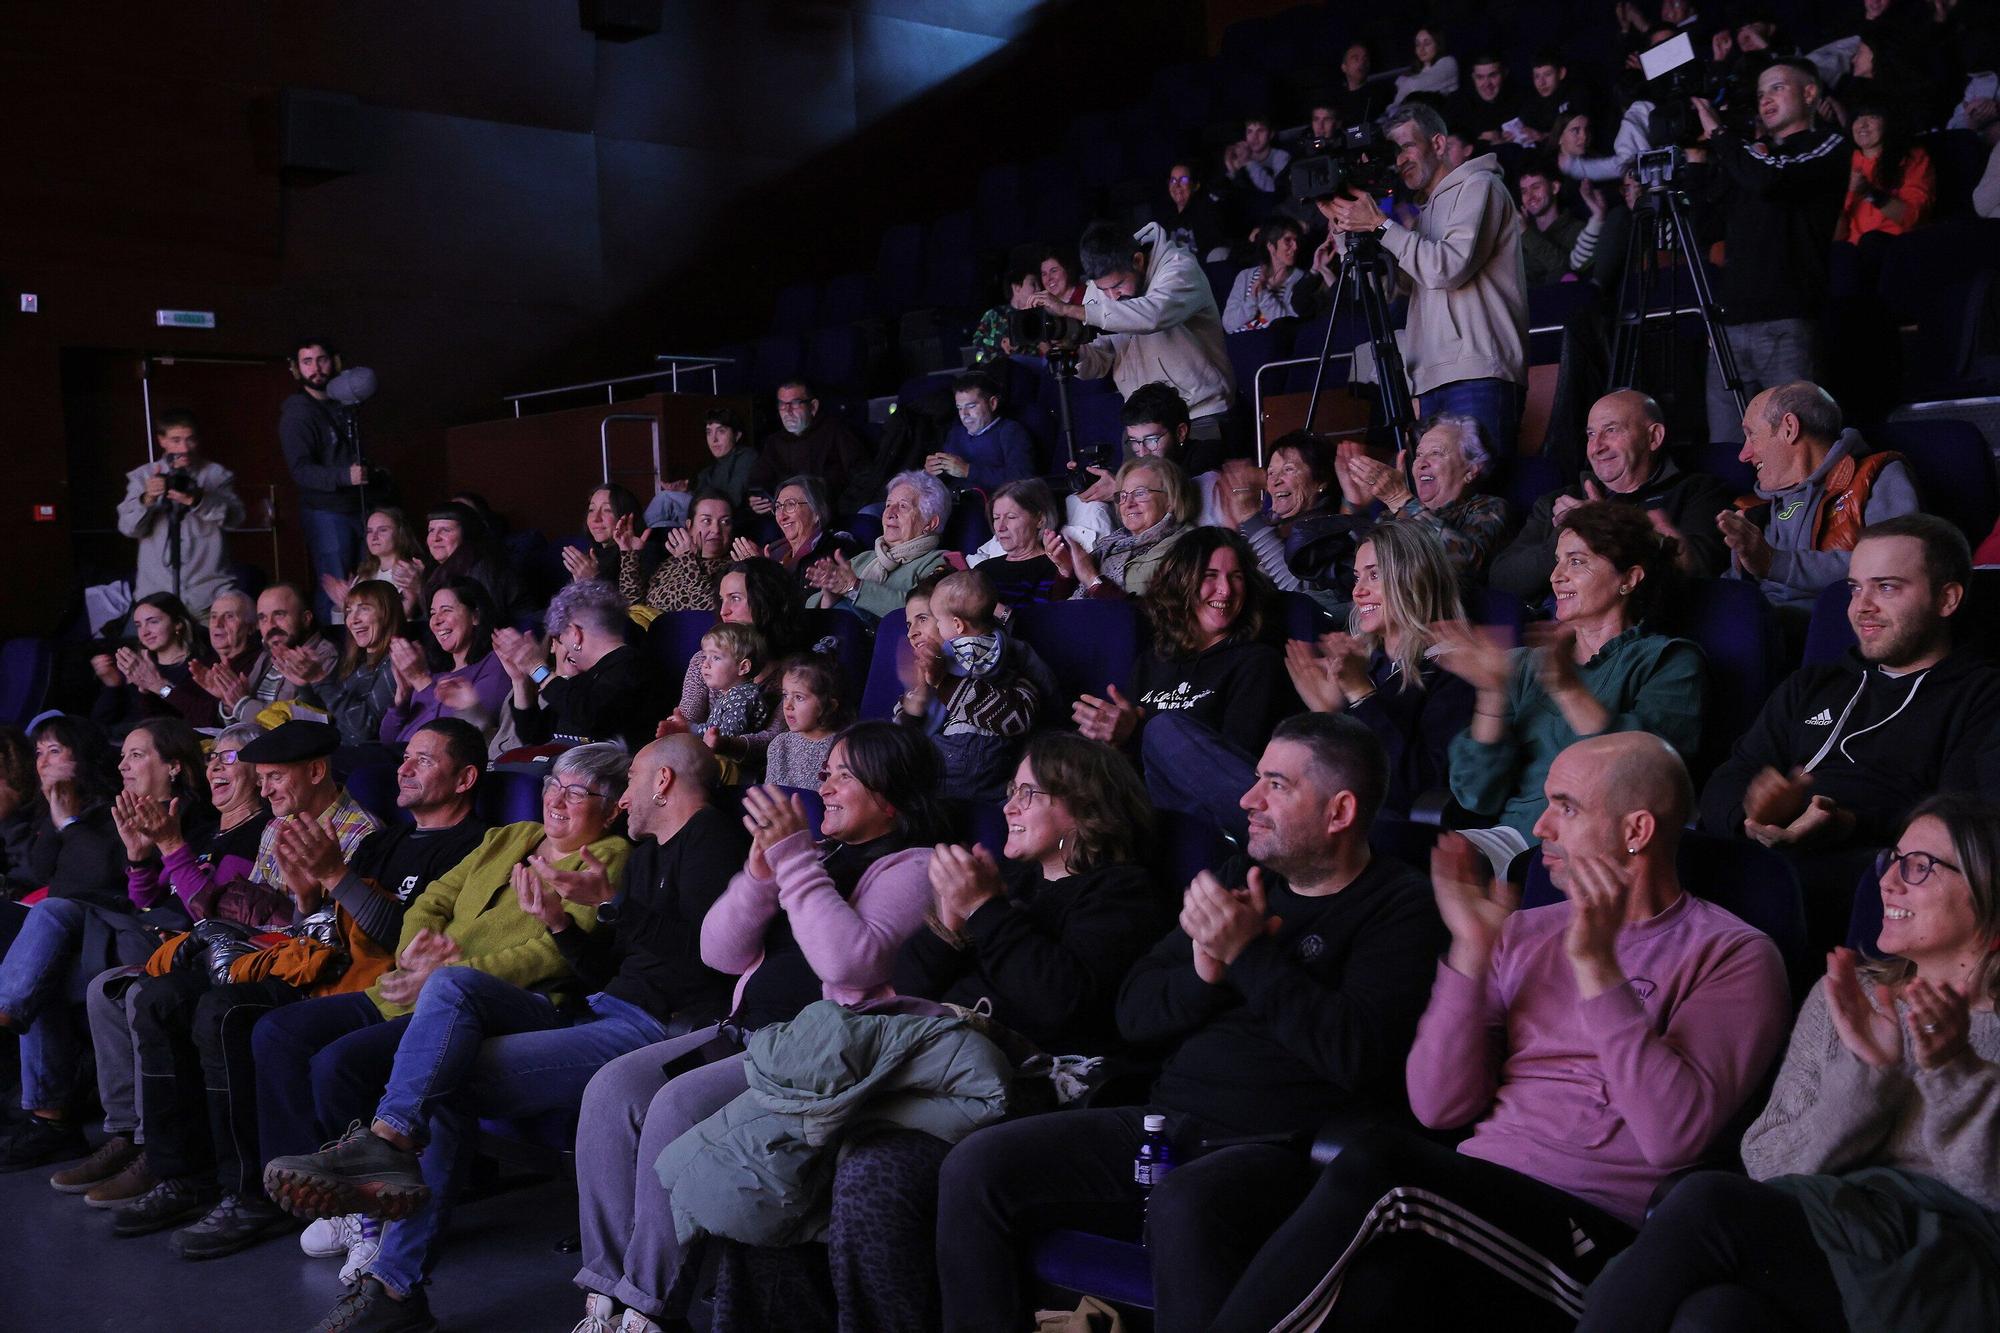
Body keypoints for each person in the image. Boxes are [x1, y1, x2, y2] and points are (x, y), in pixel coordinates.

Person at [1205, 734, 1790, 1331]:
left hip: (1590, 1240)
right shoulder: (1526, 932)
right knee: (1369, 1286)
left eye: (1566, 807)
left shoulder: (1733, 955)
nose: (1540, 828)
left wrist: (1597, 968)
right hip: (1469, 1206)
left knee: (1380, 1164)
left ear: (1635, 831)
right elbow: (1438, 1106)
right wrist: (1470, 953)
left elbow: (1674, 1140)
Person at [937, 713, 1446, 1331]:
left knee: (1186, 1203)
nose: (1247, 799)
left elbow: (1359, 1055)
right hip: (1168, 1121)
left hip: (1282, 1147)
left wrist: (1247, 956)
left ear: (1339, 813)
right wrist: (1205, 971)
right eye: (1256, 778)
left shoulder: (1402, 907)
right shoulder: (1241, 877)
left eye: (1276, 786)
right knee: (976, 1167)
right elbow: (1135, 1012)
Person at [273, 736, 745, 1333]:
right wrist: (561, 921)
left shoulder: (710, 841)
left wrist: (608, 907)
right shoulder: (647, 853)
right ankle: (389, 1144)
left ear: (665, 782)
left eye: (627, 784)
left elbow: (705, 963)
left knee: (443, 1077)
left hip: (658, 1030)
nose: (623, 799)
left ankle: (395, 1284)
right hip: (601, 1009)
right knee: (449, 990)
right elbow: (606, 971)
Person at [566, 722, 940, 1333]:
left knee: (675, 1106)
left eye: (844, 773)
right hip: (741, 1031)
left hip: (809, 1060)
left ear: (891, 791)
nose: (826, 783)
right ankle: (605, 1297)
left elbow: (848, 966)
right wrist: (762, 877)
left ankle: (645, 1309)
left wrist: (792, 860)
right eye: (829, 771)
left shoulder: (915, 867)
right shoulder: (814, 855)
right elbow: (720, 953)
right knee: (612, 1091)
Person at [1578, 792, 2000, 1333]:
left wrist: (1955, 1072)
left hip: (1953, 1269)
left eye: (1920, 867)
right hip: (1832, 1236)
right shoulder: (1848, 996)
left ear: (1987, 887)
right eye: (1891, 860)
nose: (1888, 882)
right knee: (1715, 1316)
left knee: (1705, 1201)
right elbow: (1768, 1165)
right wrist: (1866, 1075)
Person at [108, 721, 483, 1257]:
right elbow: (307, 924)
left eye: (423, 760)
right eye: (406, 757)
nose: (402, 768)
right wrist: (306, 902)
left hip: (357, 979)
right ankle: (184, 1174)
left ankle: (256, 1191)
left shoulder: (411, 838)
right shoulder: (384, 839)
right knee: (159, 997)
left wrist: (320, 889)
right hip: (296, 959)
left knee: (226, 1013)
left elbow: (382, 939)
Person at [252, 742, 631, 1233]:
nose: (556, 799)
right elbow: (431, 901)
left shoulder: (607, 858)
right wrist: (414, 951)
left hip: (490, 1004)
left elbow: (551, 955)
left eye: (576, 793)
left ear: (612, 808)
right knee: (277, 1031)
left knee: (337, 1065)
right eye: (553, 785)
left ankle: (367, 1213)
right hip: (408, 985)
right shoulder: (511, 835)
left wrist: (451, 972)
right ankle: (309, 1189)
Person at [1701, 516, 2000, 913]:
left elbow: (1963, 824)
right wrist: (1753, 819)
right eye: (1856, 588)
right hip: (1758, 864)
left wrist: (1846, 824)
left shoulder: (1981, 696)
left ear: (1947, 599)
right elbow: (1729, 778)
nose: (1863, 607)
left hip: (1876, 881)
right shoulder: (1812, 684)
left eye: (1887, 587)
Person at [62, 722, 272, 1207]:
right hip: (180, 949)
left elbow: (213, 911)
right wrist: (139, 857)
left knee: (138, 993)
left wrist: (171, 847)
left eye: (231, 757)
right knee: (102, 989)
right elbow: (152, 896)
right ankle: (127, 1134)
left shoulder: (257, 833)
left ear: (261, 774)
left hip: (224, 960)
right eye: (213, 757)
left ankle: (160, 1153)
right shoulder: (211, 832)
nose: (217, 765)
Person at [1441, 502, 1707, 873]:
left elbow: (1646, 775)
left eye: (1577, 561)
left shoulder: (1668, 660)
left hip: (1589, 850)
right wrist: (1491, 693)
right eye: (1558, 560)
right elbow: (1476, 795)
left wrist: (1566, 688)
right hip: (1507, 841)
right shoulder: (1522, 663)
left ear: (1628, 579)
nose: (1556, 576)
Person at [0, 715, 205, 1170]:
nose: (125, 766)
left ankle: (9, 1014)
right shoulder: (109, 811)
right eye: (122, 757)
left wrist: (76, 824)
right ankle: (48, 1119)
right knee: (37, 961)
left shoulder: (190, 814)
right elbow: (42, 870)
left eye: (137, 755)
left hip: (136, 931)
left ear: (173, 765)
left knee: (51, 915)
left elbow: (91, 884)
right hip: (105, 924)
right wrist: (61, 818)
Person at [1324, 102, 1528, 453]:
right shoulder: (1424, 213)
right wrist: (1347, 227)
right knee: (1440, 502)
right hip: (1430, 377)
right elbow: (1395, 286)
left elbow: (1446, 268)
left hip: (1478, 373)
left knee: (1478, 494)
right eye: (1393, 151)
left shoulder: (1480, 186)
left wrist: (1380, 224)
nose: (1399, 159)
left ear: (1437, 144)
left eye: (1406, 146)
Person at [1083, 528, 1301, 837]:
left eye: (1236, 577)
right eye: (1210, 576)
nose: (1225, 590)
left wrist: (1138, 734)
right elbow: (1133, 763)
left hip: (1226, 820)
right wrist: (1111, 738)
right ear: (1181, 582)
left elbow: (1231, 767)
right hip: (1149, 813)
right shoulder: (1154, 660)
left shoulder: (1257, 661)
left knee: (1163, 729)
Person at [1690, 60, 1851, 443]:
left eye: (1777, 88)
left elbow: (1771, 177)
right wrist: (1697, 163)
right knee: (1729, 451)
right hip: (1729, 329)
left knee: (1799, 449)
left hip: (1786, 324)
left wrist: (1721, 133)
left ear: (1809, 93)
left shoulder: (1827, 144)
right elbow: (1703, 227)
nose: (1765, 99)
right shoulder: (1750, 159)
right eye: (1761, 93)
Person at [1286, 523, 1476, 818]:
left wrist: (1360, 694)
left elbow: (1417, 788)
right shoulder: (1362, 661)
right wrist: (1328, 715)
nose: (1358, 591)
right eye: (1357, 577)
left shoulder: (1454, 671)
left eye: (1374, 575)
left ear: (1414, 580)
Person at [1491, 389, 1738, 601]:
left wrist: (1606, 527)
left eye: (1611, 430)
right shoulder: (1561, 502)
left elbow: (1704, 568)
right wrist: (1563, 537)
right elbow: (1503, 580)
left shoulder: (1699, 491)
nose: (1597, 446)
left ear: (1653, 437)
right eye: (1590, 434)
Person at [1028, 220, 1235, 450]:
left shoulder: (1179, 268)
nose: (1111, 296)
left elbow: (1152, 315)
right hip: (1139, 426)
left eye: (1117, 286)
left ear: (1137, 261)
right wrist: (1072, 347)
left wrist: (1070, 309)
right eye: (1103, 289)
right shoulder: (1100, 289)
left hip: (1198, 414)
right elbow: (1098, 362)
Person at [1721, 381, 1919, 613]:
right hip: (1761, 630)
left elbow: (1894, 563)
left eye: (1751, 435)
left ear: (1789, 428)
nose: (1743, 455)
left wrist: (1775, 563)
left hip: (1834, 630)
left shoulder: (1876, 476)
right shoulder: (1753, 507)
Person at [896, 568, 1056, 800]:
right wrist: (915, 705)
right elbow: (898, 748)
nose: (912, 633)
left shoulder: (1004, 665)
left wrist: (945, 683)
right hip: (929, 774)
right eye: (908, 624)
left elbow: (1019, 717)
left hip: (972, 774)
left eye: (923, 619)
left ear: (957, 622)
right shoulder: (921, 678)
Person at [281, 338, 389, 623]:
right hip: (326, 511)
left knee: (366, 579)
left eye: (322, 360)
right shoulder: (297, 412)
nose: (316, 368)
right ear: (297, 369)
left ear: (334, 362)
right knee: (335, 585)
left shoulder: (345, 402)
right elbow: (300, 470)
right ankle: (335, 651)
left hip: (360, 506)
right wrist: (345, 475)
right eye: (307, 362)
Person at [665, 558, 810, 771]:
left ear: (766, 602)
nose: (724, 611)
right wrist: (679, 727)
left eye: (735, 598)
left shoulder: (795, 672)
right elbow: (688, 719)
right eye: (722, 599)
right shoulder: (703, 660)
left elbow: (775, 740)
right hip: (704, 765)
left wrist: (726, 744)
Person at [494, 579, 662, 755]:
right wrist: (520, 680)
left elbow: (589, 715)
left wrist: (538, 669)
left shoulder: (632, 668)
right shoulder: (586, 678)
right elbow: (535, 738)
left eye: (562, 636)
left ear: (575, 634)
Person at [1335, 414, 1512, 580]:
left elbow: (1467, 563)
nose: (1421, 463)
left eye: (1436, 453)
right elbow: (1348, 572)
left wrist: (1401, 500)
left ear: (1471, 470)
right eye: (1419, 454)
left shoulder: (1489, 507)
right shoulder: (1392, 514)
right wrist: (1353, 505)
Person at [115, 409, 245, 619]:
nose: (184, 448)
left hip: (209, 596)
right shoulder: (144, 476)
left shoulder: (216, 475)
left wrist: (199, 500)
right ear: (162, 440)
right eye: (176, 440)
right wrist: (147, 498)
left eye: (190, 440)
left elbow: (237, 519)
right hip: (156, 598)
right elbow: (128, 528)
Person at [378, 578, 509, 745]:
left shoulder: (495, 664)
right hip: (402, 759)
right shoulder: (434, 673)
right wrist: (401, 701)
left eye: (446, 610)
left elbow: (465, 731)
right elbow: (387, 739)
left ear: (475, 616)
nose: (436, 620)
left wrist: (421, 681)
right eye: (432, 613)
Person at [809, 469, 954, 619]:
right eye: (888, 505)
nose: (889, 513)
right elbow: (809, 607)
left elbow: (921, 612)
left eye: (903, 506)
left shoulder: (939, 561)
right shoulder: (865, 558)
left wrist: (855, 587)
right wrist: (829, 597)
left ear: (930, 523)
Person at [190, 583, 340, 728]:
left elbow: (294, 728)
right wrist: (229, 700)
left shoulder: (322, 656)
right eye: (263, 618)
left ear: (306, 618)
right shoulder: (267, 655)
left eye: (279, 615)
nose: (270, 625)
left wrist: (241, 704)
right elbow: (242, 723)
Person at [1235, 431, 1358, 606]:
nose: (1276, 481)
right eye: (1271, 473)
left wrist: (1251, 521)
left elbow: (1300, 595)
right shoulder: (1269, 521)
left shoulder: (1328, 532)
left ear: (1321, 480)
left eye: (1289, 470)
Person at [1055, 456, 1197, 600]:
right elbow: (1055, 608)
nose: (1128, 504)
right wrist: (1066, 571)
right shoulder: (1110, 544)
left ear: (1171, 500)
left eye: (1140, 493)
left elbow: (1154, 618)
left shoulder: (1187, 548)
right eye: (1123, 495)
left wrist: (1093, 581)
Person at [289, 579, 403, 748]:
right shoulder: (356, 662)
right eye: (348, 611)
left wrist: (321, 680)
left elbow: (364, 730)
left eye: (364, 608)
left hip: (364, 760)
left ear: (387, 613)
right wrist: (305, 685)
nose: (353, 619)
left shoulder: (396, 663)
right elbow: (336, 715)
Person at [90, 592, 221, 732]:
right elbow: (99, 723)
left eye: (153, 622)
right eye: (138, 625)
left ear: (177, 623)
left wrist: (156, 685)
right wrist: (113, 686)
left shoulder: (200, 665)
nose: (144, 632)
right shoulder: (136, 664)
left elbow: (203, 719)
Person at [747, 378, 873, 516]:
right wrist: (758, 500)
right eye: (782, 404)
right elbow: (759, 479)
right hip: (785, 516)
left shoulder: (836, 432)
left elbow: (863, 475)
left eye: (795, 403)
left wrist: (840, 508)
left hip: (829, 514)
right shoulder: (774, 442)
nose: (787, 411)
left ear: (813, 407)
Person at [619, 489, 733, 614]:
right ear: (689, 526)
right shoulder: (672, 563)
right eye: (706, 521)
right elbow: (632, 608)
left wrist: (689, 561)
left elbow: (713, 608)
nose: (716, 529)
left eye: (725, 522)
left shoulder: (735, 567)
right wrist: (630, 558)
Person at [1837, 102, 1935, 244]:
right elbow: (1838, 236)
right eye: (1857, 117)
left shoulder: (1912, 158)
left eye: (1873, 117)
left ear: (1889, 122)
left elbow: (1913, 218)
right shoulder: (1845, 162)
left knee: (1871, 242)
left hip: (1896, 246)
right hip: (1853, 251)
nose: (1862, 124)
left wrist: (1868, 193)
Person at [966, 478, 1073, 607]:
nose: (1000, 527)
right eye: (996, 518)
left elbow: (1043, 618)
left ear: (1040, 519)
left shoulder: (1056, 567)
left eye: (1011, 517)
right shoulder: (983, 570)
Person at [926, 370, 1035, 493]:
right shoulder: (956, 433)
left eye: (971, 406)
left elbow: (1022, 479)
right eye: (959, 408)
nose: (964, 414)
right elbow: (947, 478)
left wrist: (968, 470)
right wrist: (933, 472)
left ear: (992, 403)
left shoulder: (1010, 432)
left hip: (994, 506)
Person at [647, 408, 758, 526]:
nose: (714, 439)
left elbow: (733, 499)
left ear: (737, 435)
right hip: (706, 514)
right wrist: (686, 490)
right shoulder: (711, 466)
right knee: (662, 524)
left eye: (721, 431)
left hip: (726, 516)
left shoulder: (747, 457)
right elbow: (701, 494)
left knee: (665, 498)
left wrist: (692, 496)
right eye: (709, 432)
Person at [417, 500, 521, 624]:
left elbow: (486, 623)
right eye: (431, 530)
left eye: (445, 530)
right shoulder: (432, 570)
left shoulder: (483, 568)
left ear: (467, 534)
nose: (435, 538)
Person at [748, 474, 848, 597]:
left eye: (790, 504)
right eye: (778, 507)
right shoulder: (772, 551)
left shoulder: (833, 550)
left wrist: (762, 573)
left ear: (817, 512)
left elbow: (801, 604)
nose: (782, 516)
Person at [323, 506, 425, 623]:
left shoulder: (409, 573)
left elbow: (394, 622)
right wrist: (343, 606)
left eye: (383, 530)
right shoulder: (364, 575)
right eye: (369, 531)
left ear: (400, 534)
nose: (374, 536)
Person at [762, 654, 848, 789]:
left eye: (799, 697)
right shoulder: (780, 745)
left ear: (830, 706)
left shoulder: (842, 749)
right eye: (785, 695)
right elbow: (771, 794)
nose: (787, 705)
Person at [1516, 158, 1605, 286]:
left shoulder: (1577, 229)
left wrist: (1527, 233)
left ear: (1554, 187)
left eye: (1535, 187)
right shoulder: (1519, 232)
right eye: (1524, 191)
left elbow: (1564, 270)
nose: (1529, 197)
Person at [687, 623, 770, 748]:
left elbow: (726, 734)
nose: (705, 664)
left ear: (743, 667)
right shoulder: (733, 694)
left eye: (716, 658)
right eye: (705, 656)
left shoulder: (741, 697)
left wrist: (690, 728)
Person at [1222, 217, 1308, 332]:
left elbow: (1287, 325)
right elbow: (1228, 324)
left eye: (1296, 241)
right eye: (1288, 240)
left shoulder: (1299, 278)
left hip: (1270, 343)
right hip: (1241, 341)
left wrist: (1263, 295)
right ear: (1270, 246)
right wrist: (1252, 300)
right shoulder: (1246, 276)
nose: (1295, 247)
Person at [563, 483, 646, 588]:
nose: (596, 518)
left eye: (607, 510)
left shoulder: (639, 556)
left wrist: (594, 581)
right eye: (591, 510)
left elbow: (631, 602)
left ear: (626, 516)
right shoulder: (590, 557)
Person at [1157, 160, 1227, 261]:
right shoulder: (1166, 219)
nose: (1177, 185)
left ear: (1195, 185)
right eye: (1173, 180)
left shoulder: (1207, 211)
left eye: (1183, 180)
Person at [1451, 51, 1525, 145]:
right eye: (1480, 77)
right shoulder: (1458, 104)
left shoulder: (1522, 100)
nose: (1487, 84)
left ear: (1505, 73)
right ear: (1473, 77)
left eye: (1493, 76)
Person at [1390, 25, 1460, 105]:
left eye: (1427, 43)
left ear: (1438, 44)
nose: (1421, 48)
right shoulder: (1417, 70)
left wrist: (1402, 82)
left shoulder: (1448, 62)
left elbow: (1414, 86)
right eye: (1418, 44)